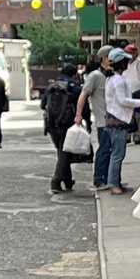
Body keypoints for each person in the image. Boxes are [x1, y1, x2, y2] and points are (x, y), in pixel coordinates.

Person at [100, 47, 140, 194]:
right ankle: (113, 184)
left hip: (113, 121)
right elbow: (122, 100)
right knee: (118, 155)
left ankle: (116, 182)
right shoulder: (117, 80)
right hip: (118, 122)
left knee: (116, 154)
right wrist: (138, 102)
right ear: (121, 63)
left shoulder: (112, 78)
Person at [74, 46, 113, 189]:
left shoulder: (111, 75)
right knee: (104, 149)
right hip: (103, 120)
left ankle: (110, 178)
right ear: (103, 58)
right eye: (111, 56)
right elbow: (83, 95)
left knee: (111, 151)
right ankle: (99, 179)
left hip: (114, 120)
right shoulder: (95, 76)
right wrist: (78, 115)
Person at [42, 64, 81, 193]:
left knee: (62, 151)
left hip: (52, 124)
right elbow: (82, 104)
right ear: (74, 74)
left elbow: (43, 104)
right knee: (64, 152)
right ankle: (56, 181)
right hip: (66, 123)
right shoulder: (74, 87)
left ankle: (68, 180)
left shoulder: (52, 86)